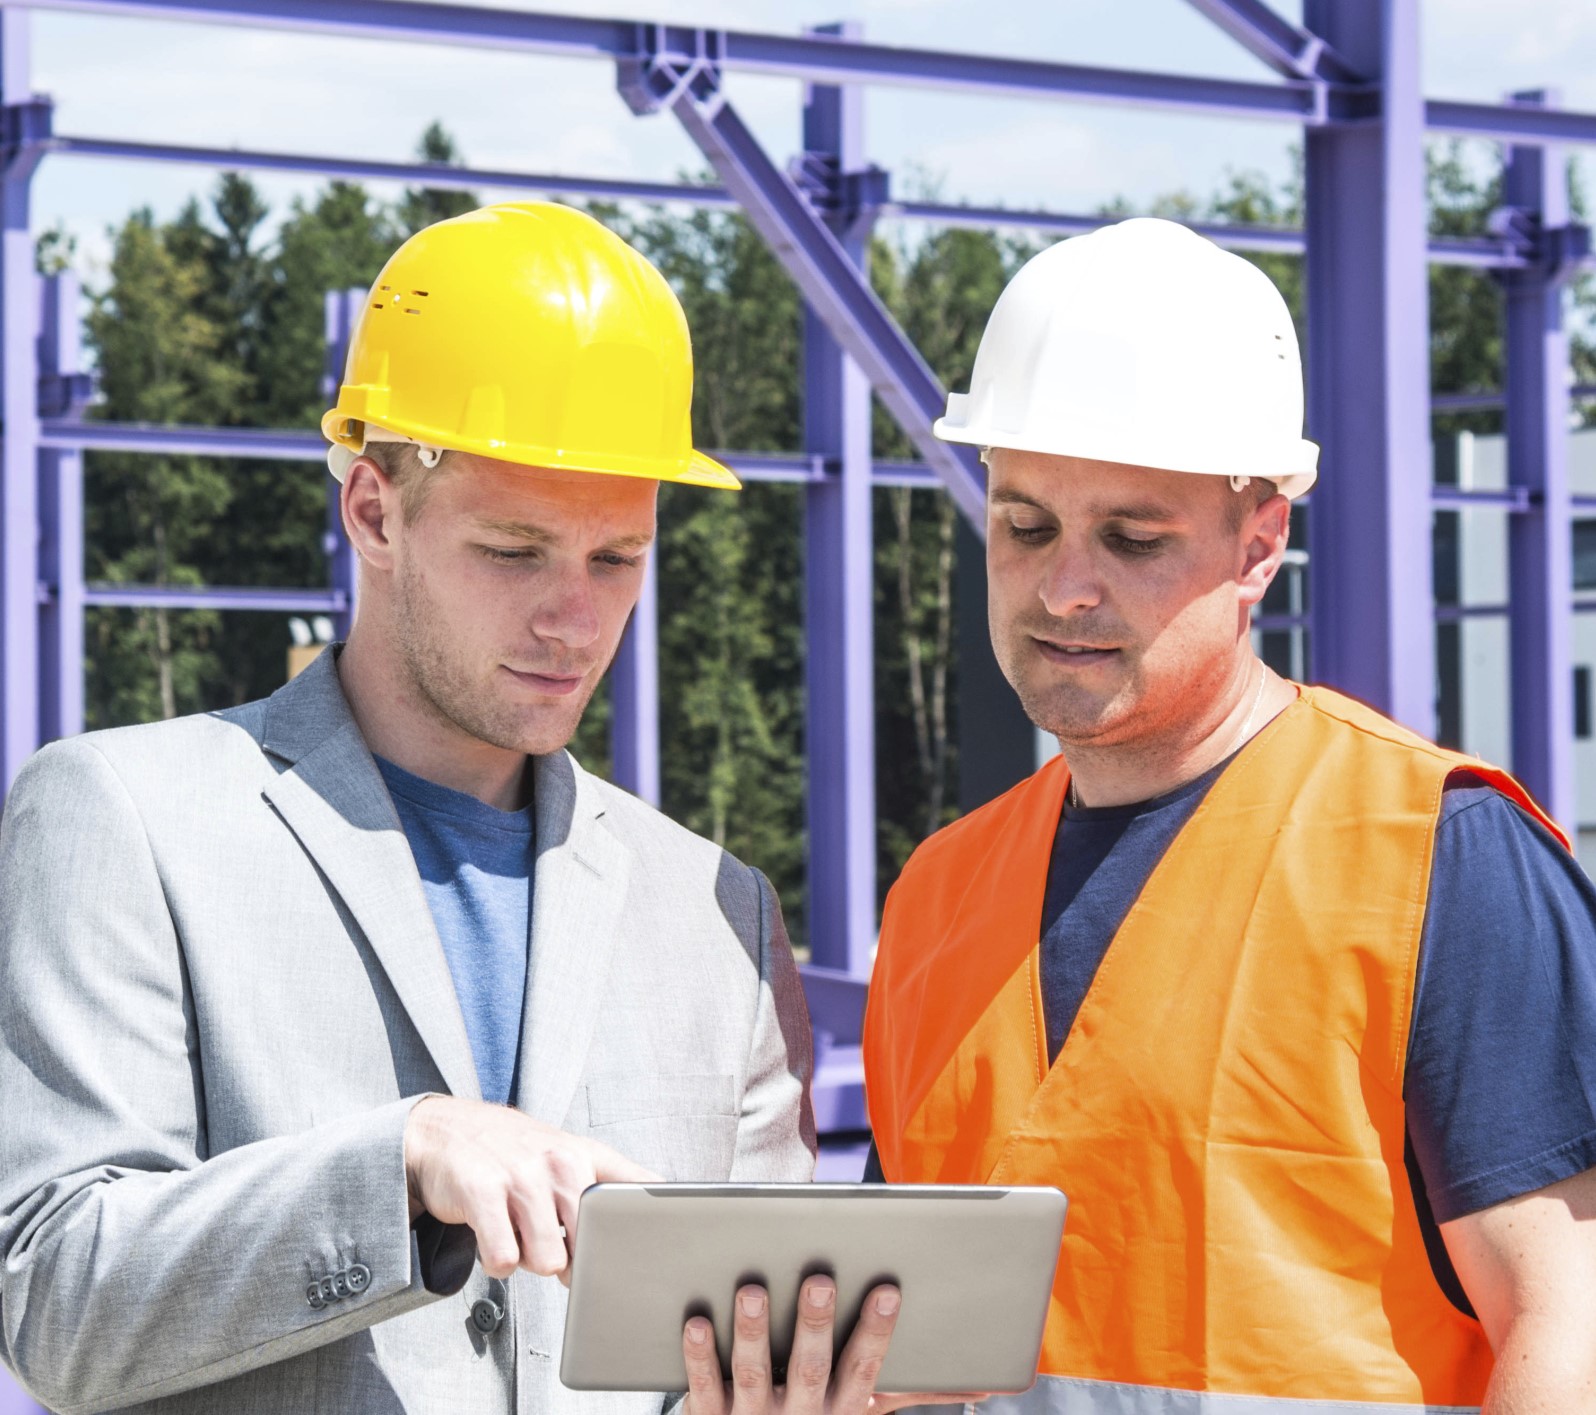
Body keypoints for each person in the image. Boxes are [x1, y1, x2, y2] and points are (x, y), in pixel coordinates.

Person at [0, 203, 896, 1415]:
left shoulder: (714, 907)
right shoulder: (125, 819)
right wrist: (398, 1162)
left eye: (615, 559)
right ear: (373, 510)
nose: (572, 620)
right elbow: (56, 1299)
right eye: (514, 551)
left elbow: (753, 1338)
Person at [862, 217, 1596, 1413]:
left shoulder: (1436, 851)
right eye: (1026, 524)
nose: (1064, 586)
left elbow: (1570, 1326)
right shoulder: (940, 893)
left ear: (1260, 545)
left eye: (1133, 538)